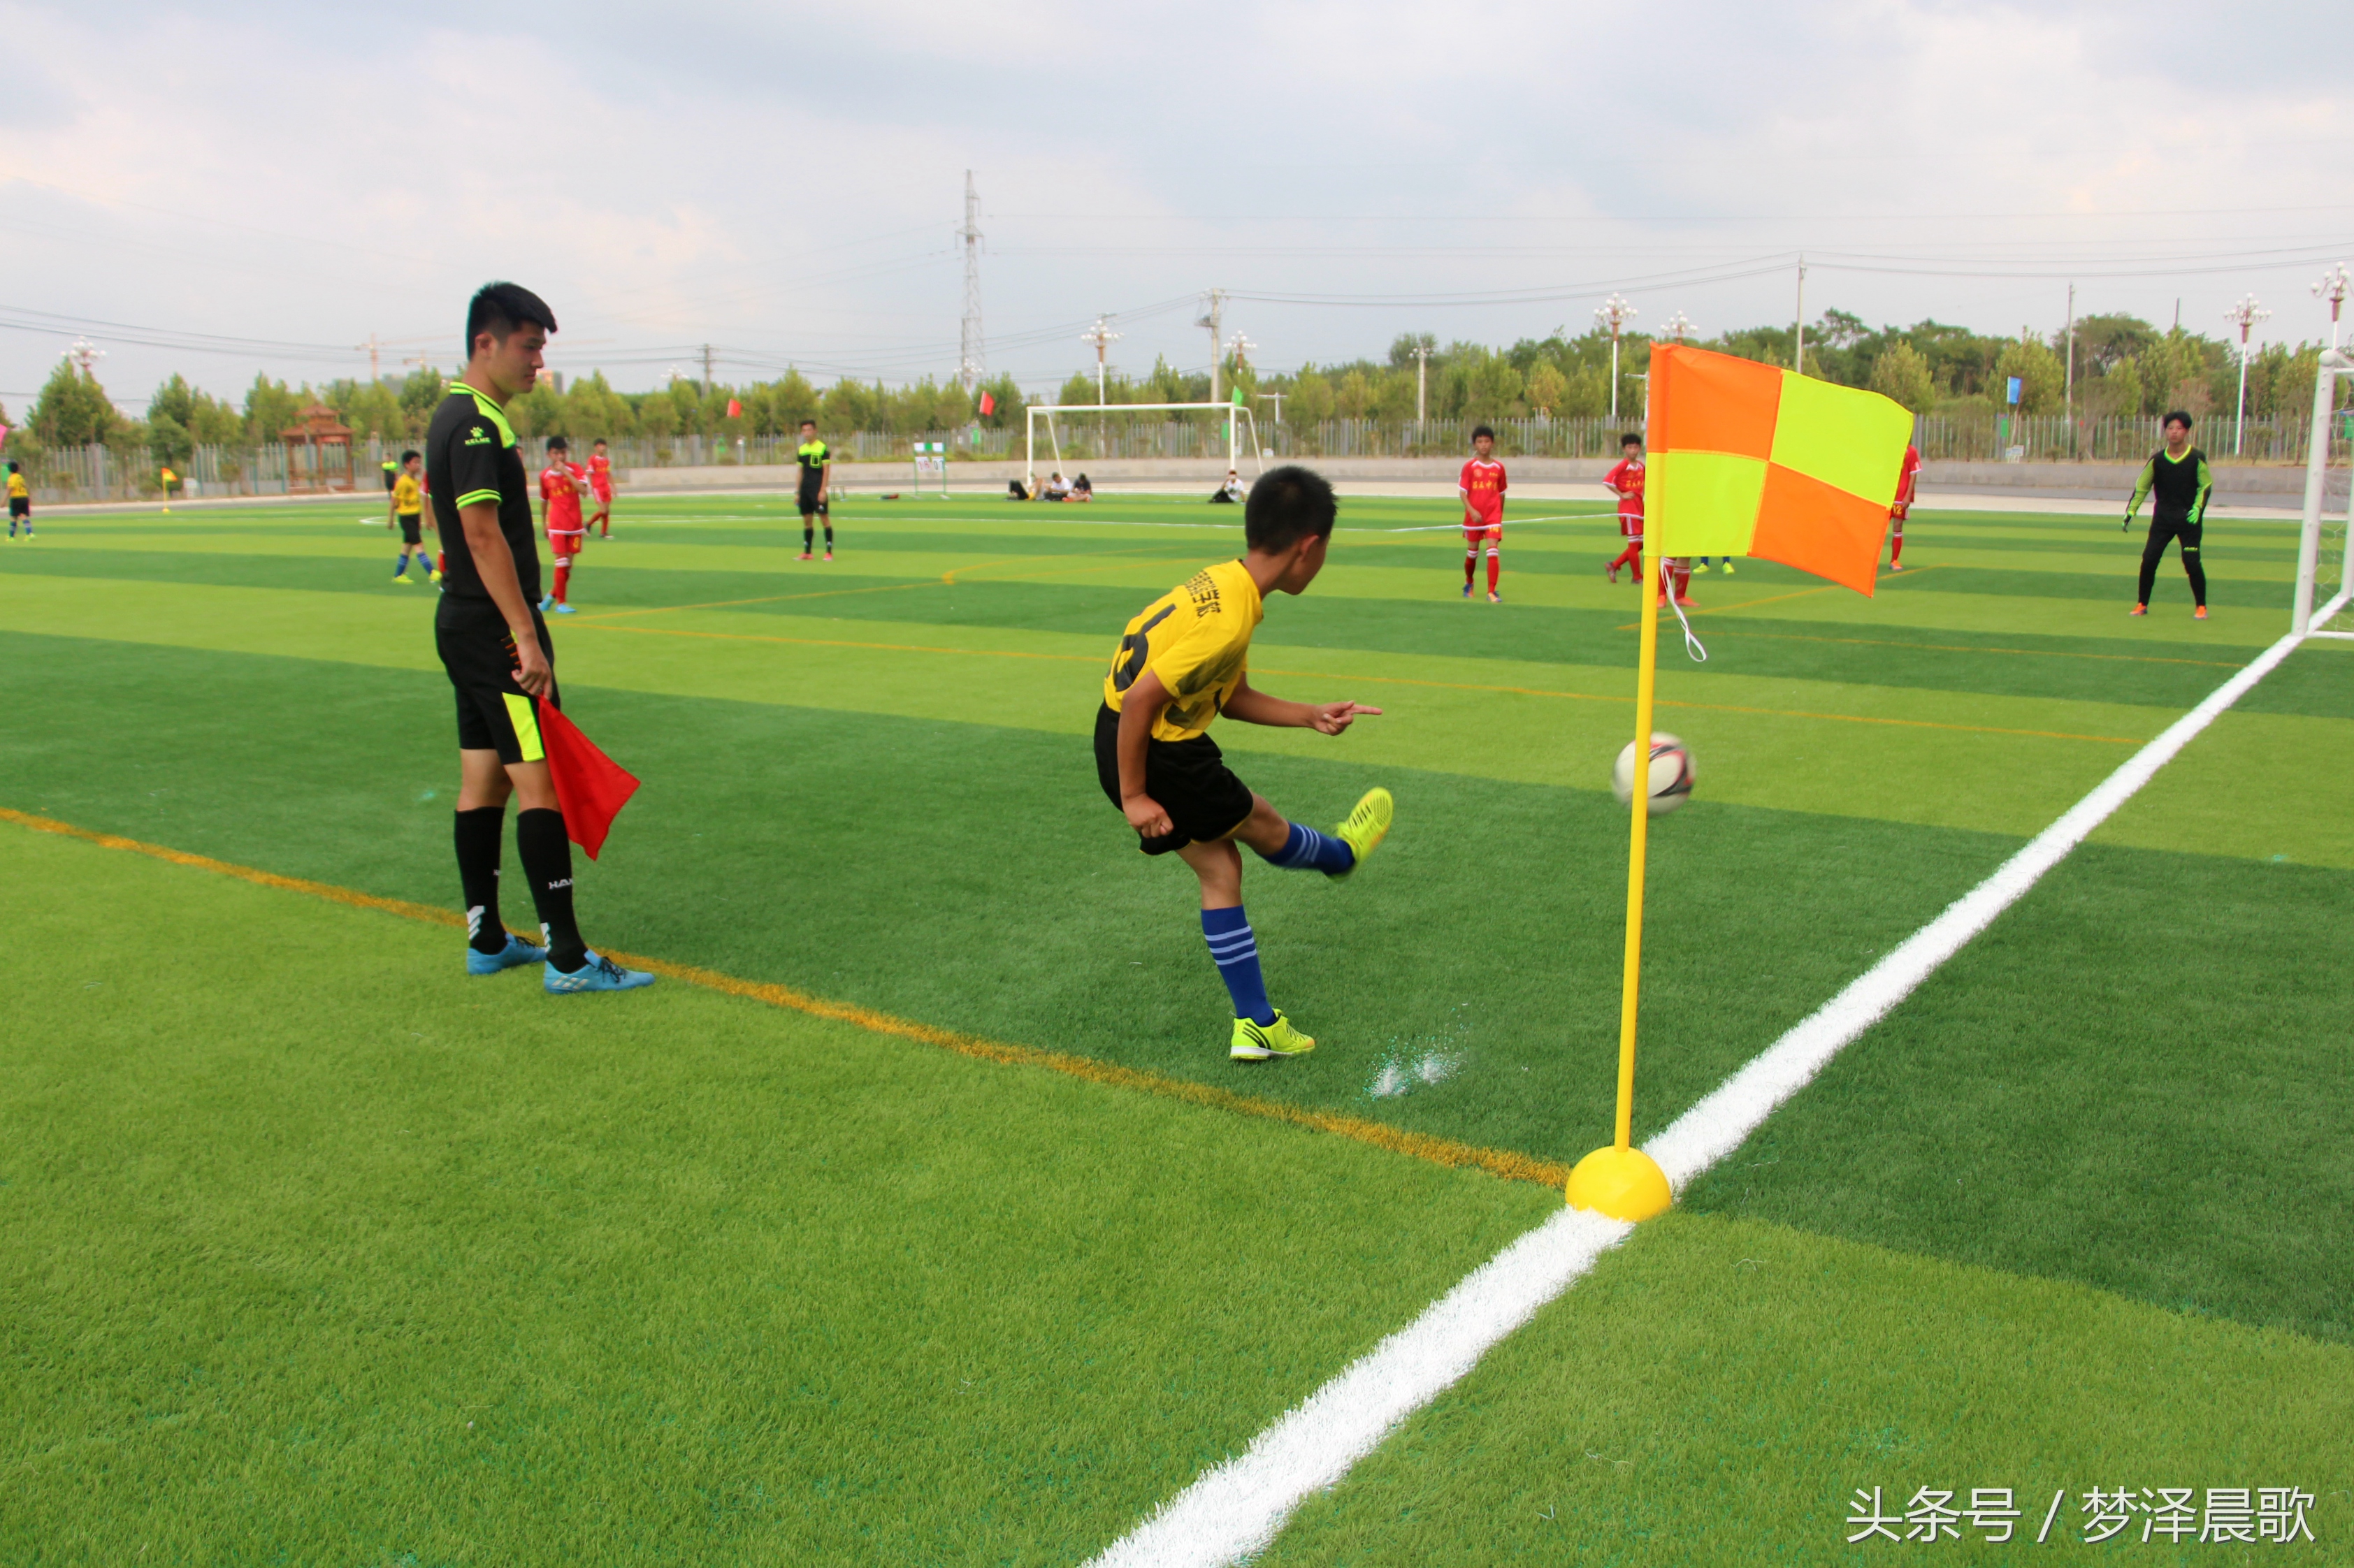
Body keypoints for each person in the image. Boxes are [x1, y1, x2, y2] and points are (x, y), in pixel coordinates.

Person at [1096, 464, 1394, 1062]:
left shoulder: (1226, 584)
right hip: (1158, 750)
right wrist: (1135, 796)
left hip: (1119, 739)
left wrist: (1308, 713)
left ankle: (1254, 1025)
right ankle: (1340, 857)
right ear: (1308, 548)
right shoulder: (1231, 620)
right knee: (1264, 827)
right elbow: (1143, 701)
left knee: (1220, 871)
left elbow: (1229, 698)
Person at [427, 280, 650, 994]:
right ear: (484, 343)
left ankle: (487, 937)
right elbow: (479, 530)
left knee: (481, 781)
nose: (537, 364)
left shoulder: (453, 416)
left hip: (462, 622)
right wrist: (525, 634)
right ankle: (567, 957)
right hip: (495, 631)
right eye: (528, 348)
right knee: (540, 783)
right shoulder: (476, 423)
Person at [2124, 412, 2213, 619]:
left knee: (2191, 562)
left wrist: (2198, 509)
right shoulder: (2157, 460)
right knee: (2149, 560)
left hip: (2188, 520)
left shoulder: (2196, 458)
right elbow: (2142, 486)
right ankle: (2141, 604)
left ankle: (2201, 606)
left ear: (2187, 431)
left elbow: (2205, 485)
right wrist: (2131, 510)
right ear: (2165, 431)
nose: (2174, 432)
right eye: (2170, 428)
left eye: (2179, 428)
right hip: (2163, 519)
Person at [537, 435, 588, 614]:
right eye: (556, 453)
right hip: (557, 525)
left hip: (574, 525)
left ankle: (550, 597)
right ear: (549, 454)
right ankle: (561, 603)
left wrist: (566, 472)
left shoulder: (575, 469)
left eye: (563, 453)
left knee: (568, 567)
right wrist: (543, 523)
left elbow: (584, 491)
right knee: (561, 562)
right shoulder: (544, 476)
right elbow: (544, 500)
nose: (560, 457)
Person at [1460, 425, 1506, 602]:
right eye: (1480, 442)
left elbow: (1501, 493)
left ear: (1492, 443)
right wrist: (1472, 511)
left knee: (1493, 551)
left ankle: (1492, 591)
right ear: (1475, 445)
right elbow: (1462, 492)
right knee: (1472, 554)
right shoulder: (1470, 467)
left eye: (1487, 441)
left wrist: (1498, 516)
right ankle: (1469, 582)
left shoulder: (1499, 468)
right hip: (1473, 518)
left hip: (1492, 517)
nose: (1484, 445)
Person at [388, 449, 437, 583]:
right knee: (418, 545)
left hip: (414, 517)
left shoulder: (416, 481)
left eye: (419, 463)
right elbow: (394, 500)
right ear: (407, 465)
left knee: (407, 547)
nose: (418, 465)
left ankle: (398, 575)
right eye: (415, 462)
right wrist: (391, 519)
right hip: (406, 518)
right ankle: (431, 572)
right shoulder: (403, 482)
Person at [1603, 433, 1645, 584]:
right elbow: (1608, 481)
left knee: (1642, 543)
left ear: (1639, 448)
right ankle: (1637, 577)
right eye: (1630, 447)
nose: (1633, 450)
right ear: (1624, 449)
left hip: (1640, 509)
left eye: (1635, 447)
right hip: (1628, 510)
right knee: (1634, 543)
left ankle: (1613, 565)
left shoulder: (1641, 466)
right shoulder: (1623, 465)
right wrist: (1622, 494)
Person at [795, 419, 832, 559]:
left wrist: (823, 490)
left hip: (817, 489)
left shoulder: (822, 448)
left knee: (824, 519)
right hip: (805, 490)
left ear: (815, 431)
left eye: (809, 430)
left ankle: (828, 552)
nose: (807, 433)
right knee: (807, 520)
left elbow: (826, 470)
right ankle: (808, 552)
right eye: (804, 430)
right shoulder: (802, 450)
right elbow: (800, 472)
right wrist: (797, 492)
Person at [1887, 441, 1921, 571]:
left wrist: (1908, 496)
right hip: (1886, 496)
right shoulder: (1889, 449)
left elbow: (1913, 474)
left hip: (1900, 496)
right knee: (1878, 527)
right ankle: (1869, 561)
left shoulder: (1911, 451)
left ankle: (1894, 560)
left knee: (1897, 526)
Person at [587, 437, 614, 537]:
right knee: (603, 510)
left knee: (607, 511)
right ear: (596, 447)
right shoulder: (592, 459)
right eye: (600, 446)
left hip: (606, 487)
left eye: (603, 445)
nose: (602, 447)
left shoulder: (606, 461)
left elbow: (609, 474)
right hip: (597, 488)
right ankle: (588, 524)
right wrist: (592, 485)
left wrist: (613, 487)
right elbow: (589, 473)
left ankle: (603, 532)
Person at [6, 461, 29, 538]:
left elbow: (10, 489)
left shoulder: (12, 478)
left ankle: (11, 536)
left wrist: (3, 501)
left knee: (14, 517)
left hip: (16, 498)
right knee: (23, 516)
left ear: (9, 470)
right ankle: (30, 534)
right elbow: (25, 487)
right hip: (24, 497)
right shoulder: (20, 477)